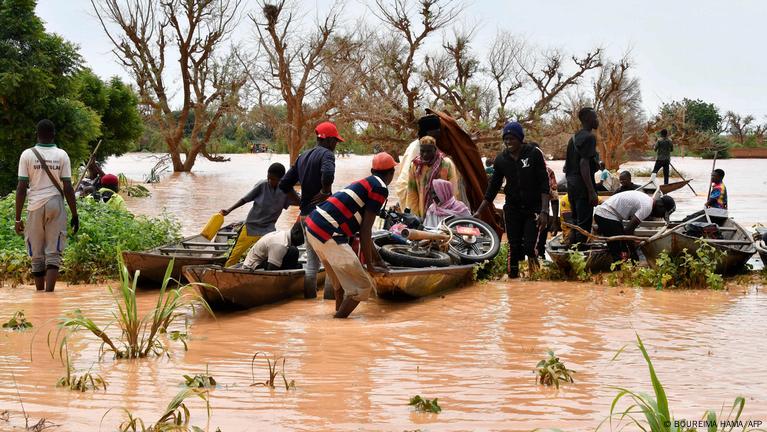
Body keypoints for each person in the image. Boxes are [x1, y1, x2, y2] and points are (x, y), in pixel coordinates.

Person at [305, 152, 397, 318]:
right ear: (392, 173)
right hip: (329, 232)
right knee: (362, 286)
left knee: (340, 285)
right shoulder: (380, 188)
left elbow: (363, 232)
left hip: (313, 227)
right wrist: (370, 266)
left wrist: (378, 260)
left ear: (372, 170)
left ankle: (336, 334)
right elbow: (366, 230)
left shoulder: (365, 183)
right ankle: (337, 323)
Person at [474, 122, 549, 278]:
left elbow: (544, 184)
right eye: (506, 139)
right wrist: (480, 211)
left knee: (529, 247)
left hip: (533, 209)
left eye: (512, 138)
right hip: (513, 209)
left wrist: (544, 210)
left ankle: (536, 277)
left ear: (520, 139)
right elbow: (492, 188)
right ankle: (513, 280)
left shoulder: (534, 154)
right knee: (513, 246)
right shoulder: (501, 160)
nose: (508, 142)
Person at [14, 119, 79, 292]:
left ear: (37, 134)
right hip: (56, 204)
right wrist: (75, 214)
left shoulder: (26, 155)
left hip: (34, 205)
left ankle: (39, 295)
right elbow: (67, 187)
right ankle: (50, 294)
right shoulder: (62, 155)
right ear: (53, 135)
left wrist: (17, 218)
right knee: (53, 252)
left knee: (36, 253)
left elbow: (21, 188)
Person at [279, 121, 341, 298]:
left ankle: (309, 302)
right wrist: (325, 191)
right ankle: (330, 304)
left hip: (306, 215)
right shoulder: (327, 155)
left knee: (312, 263)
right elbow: (328, 173)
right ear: (329, 140)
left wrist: (299, 200)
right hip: (323, 215)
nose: (336, 145)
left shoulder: (303, 156)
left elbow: (284, 184)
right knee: (330, 262)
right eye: (335, 141)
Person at [221, 163, 294, 267]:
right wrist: (229, 210)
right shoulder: (262, 185)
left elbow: (297, 201)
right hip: (251, 227)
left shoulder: (286, 190)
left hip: (268, 229)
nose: (270, 181)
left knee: (269, 255)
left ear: (281, 179)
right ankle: (226, 271)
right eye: (268, 178)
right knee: (235, 255)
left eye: (273, 179)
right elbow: (244, 199)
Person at [594, 191, 676, 261]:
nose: (660, 217)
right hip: (606, 215)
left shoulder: (647, 200)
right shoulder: (647, 207)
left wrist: (631, 243)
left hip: (607, 215)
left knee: (623, 245)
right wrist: (633, 253)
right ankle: (618, 271)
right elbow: (628, 231)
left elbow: (627, 231)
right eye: (662, 214)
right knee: (619, 253)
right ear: (660, 206)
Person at [563, 107, 600, 246]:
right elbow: (583, 164)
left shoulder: (573, 138)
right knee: (584, 224)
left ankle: (572, 252)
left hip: (571, 185)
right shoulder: (590, 137)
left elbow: (567, 166)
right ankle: (580, 255)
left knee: (576, 220)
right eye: (595, 117)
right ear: (589, 120)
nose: (597, 120)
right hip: (583, 186)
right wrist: (591, 191)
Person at [403, 135, 459, 218]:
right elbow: (412, 193)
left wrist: (449, 213)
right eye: (422, 151)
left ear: (435, 150)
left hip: (444, 212)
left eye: (429, 151)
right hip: (422, 212)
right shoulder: (415, 165)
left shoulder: (446, 164)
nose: (425, 154)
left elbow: (453, 191)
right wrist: (415, 215)